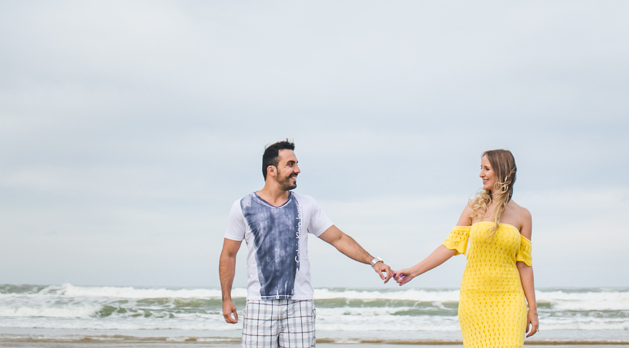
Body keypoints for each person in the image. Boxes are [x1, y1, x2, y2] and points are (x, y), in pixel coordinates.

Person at [220, 140, 394, 348]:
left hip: (299, 306)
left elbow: (338, 238)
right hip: (259, 305)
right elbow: (229, 255)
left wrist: (373, 261)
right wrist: (226, 298)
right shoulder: (242, 207)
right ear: (271, 170)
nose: (298, 170)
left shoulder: (306, 205)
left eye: (296, 164)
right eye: (291, 164)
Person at [394, 150, 539, 347]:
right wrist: (414, 270)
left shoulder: (523, 215)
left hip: (510, 300)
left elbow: (524, 265)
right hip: (475, 299)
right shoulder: (474, 207)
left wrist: (532, 310)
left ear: (502, 171)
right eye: (481, 168)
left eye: (486, 169)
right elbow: (450, 246)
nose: (481, 174)